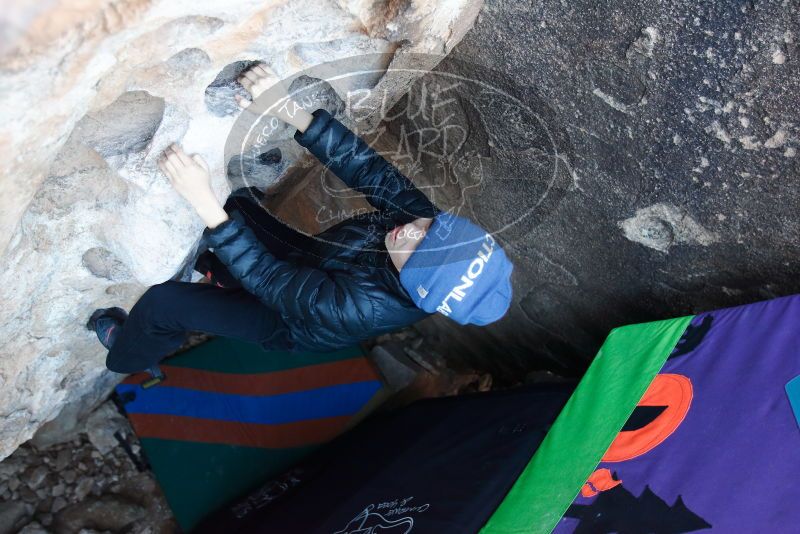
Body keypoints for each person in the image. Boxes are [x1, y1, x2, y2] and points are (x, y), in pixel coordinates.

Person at [87, 64, 514, 374]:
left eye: (417, 249)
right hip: (317, 264)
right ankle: (216, 270)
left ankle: (127, 356)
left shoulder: (360, 309)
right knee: (236, 210)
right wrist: (288, 109)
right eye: (435, 228)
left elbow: (270, 280)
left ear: (415, 287)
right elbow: (369, 169)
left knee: (165, 304)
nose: (413, 228)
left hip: (287, 320)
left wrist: (201, 199)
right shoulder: (423, 227)